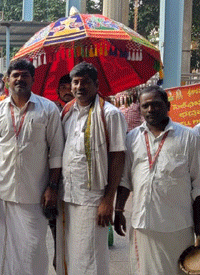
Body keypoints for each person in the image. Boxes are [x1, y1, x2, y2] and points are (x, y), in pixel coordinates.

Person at [0, 58, 64, 275]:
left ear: (33, 80)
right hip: (4, 191)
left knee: (34, 247)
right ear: (7, 80)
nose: (19, 79)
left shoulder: (48, 109)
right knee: (5, 249)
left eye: (25, 75)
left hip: (36, 192)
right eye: (15, 75)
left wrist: (52, 188)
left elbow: (56, 153)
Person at [115, 86, 200, 274]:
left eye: (156, 104)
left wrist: (199, 227)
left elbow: (198, 185)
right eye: (145, 106)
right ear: (140, 108)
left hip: (177, 226)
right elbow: (124, 180)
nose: (150, 109)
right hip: (142, 225)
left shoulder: (188, 137)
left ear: (167, 106)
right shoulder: (132, 138)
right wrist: (119, 209)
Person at [55, 62, 127, 275]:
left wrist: (108, 200)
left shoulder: (110, 114)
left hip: (93, 198)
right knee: (69, 253)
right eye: (75, 82)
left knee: (91, 256)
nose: (79, 87)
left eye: (85, 82)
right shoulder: (67, 112)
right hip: (67, 195)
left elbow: (117, 158)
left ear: (96, 85)